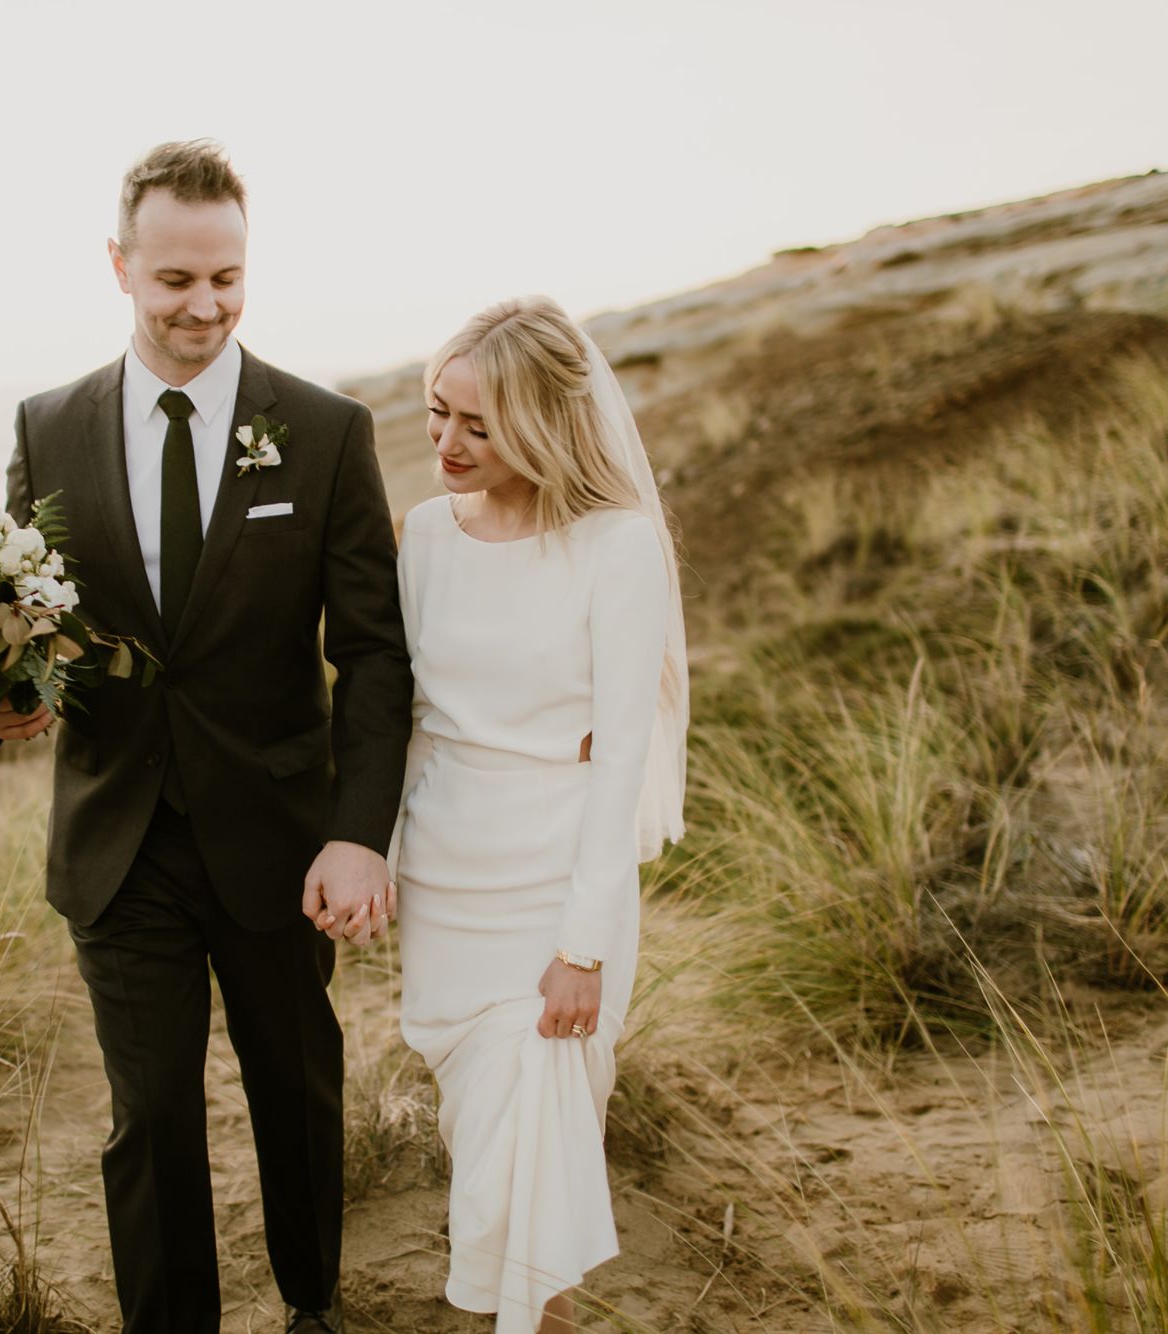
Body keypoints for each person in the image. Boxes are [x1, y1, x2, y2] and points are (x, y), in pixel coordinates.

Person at [0, 140, 412, 1334]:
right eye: (174, 279)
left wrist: (356, 833)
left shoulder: (322, 432)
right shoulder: (48, 427)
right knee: (150, 1115)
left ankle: (312, 1304)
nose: (203, 305)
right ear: (118, 266)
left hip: (279, 837)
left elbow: (370, 652)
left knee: (295, 1088)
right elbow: (23, 621)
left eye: (225, 277)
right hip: (117, 839)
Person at [380, 296, 688, 1333]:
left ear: (544, 423)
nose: (446, 443)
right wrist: (378, 854)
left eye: (478, 424)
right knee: (485, 1150)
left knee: (539, 1149)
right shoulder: (423, 534)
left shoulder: (617, 545)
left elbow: (622, 762)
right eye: (436, 413)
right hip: (442, 878)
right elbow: (409, 719)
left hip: (555, 888)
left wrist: (582, 948)